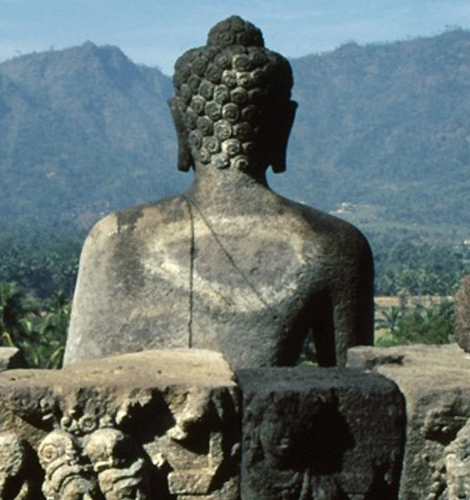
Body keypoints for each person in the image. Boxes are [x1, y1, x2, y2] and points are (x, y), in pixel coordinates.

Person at [64, 16, 374, 369]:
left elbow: (71, 387)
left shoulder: (111, 238)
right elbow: (355, 397)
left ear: (181, 122)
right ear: (284, 124)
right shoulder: (335, 246)